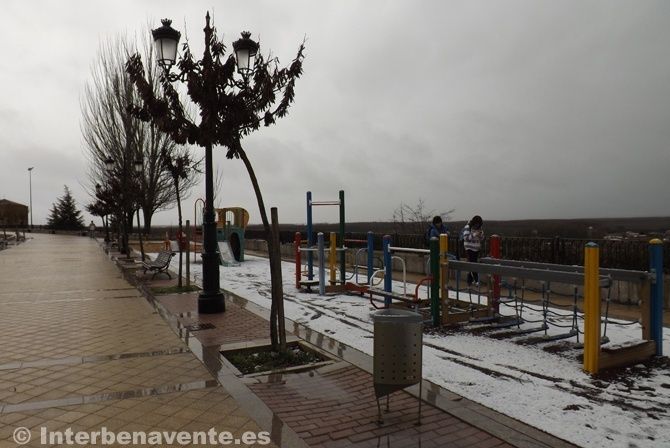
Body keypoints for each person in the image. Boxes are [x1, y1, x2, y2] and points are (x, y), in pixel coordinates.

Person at [462, 215, 484, 286]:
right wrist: (474, 234)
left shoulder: (480, 228)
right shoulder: (467, 227)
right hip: (469, 248)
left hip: (476, 248)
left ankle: (470, 280)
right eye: (476, 225)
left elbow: (482, 238)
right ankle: (476, 280)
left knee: (473, 263)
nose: (477, 226)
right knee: (472, 263)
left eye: (478, 225)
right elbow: (466, 238)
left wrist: (480, 235)